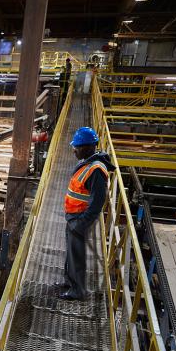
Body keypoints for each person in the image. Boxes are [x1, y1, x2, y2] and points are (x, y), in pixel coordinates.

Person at [56, 127, 113, 301]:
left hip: (79, 218)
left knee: (77, 255)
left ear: (89, 147)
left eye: (77, 147)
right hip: (73, 216)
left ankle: (78, 291)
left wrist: (81, 224)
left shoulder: (95, 170)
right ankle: (69, 282)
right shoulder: (87, 161)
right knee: (72, 253)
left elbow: (97, 203)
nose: (74, 149)